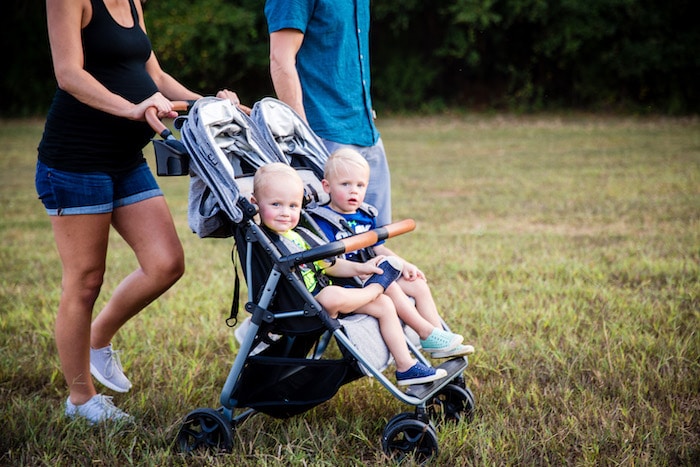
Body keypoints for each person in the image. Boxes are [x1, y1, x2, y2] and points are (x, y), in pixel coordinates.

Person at [36, 0, 245, 425]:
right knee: (85, 280)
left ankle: (96, 339)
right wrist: (131, 108)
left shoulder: (132, 1)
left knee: (166, 262)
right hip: (76, 159)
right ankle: (80, 400)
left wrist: (212, 103)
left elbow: (156, 78)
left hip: (125, 158)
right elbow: (69, 74)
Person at [251, 163, 447, 386]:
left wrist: (361, 268)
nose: (285, 212)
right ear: (255, 204)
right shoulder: (263, 242)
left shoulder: (300, 234)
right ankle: (376, 287)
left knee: (384, 304)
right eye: (276, 204)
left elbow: (330, 265)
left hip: (322, 299)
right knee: (331, 295)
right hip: (300, 307)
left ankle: (406, 367)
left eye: (293, 206)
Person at [310, 149, 475, 358]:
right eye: (345, 184)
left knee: (417, 284)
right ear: (327, 186)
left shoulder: (365, 215)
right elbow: (328, 264)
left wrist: (403, 263)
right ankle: (425, 332)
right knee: (391, 285)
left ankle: (438, 338)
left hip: (373, 274)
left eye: (360, 185)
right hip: (349, 282)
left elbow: (378, 248)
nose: (354, 191)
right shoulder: (323, 220)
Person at [265, 0, 393, 227]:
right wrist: (303, 135)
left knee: (378, 239)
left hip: (366, 133)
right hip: (322, 135)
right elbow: (280, 58)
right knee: (330, 250)